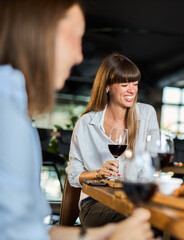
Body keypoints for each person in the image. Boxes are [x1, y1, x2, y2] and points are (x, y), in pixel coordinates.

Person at [0, 1, 154, 239]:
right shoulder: (8, 121)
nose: (79, 55)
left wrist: (107, 234)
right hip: (97, 203)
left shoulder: (13, 111)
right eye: (74, 37)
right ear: (41, 33)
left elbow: (28, 232)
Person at [67, 53, 159, 227]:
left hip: (135, 199)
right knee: (142, 218)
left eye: (135, 84)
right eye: (124, 84)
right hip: (95, 203)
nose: (132, 90)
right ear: (107, 87)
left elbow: (151, 163)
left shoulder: (146, 114)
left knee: (157, 218)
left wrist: (141, 190)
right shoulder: (87, 123)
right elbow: (73, 174)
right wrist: (98, 173)